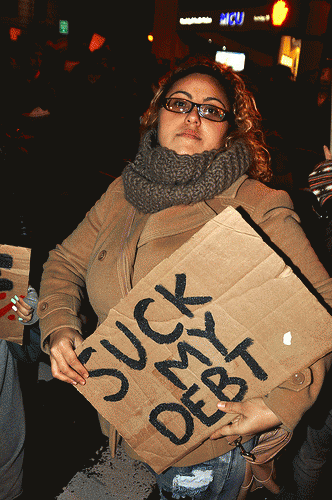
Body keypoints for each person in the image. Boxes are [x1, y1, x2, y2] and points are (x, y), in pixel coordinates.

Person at [36, 56, 332, 500]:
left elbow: (320, 309)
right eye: (180, 104)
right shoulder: (123, 191)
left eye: (212, 110)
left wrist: (281, 403)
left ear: (229, 130)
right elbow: (63, 262)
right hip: (122, 429)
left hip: (206, 448)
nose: (193, 116)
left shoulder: (256, 203)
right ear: (156, 116)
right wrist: (60, 327)